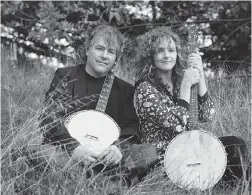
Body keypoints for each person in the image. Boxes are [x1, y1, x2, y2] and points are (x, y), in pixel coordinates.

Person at [37, 24, 157, 185]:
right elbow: (49, 116)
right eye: (100, 48)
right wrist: (74, 148)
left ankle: (86, 179)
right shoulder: (65, 76)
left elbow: (131, 126)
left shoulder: (124, 89)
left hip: (107, 157)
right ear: (87, 50)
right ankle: (105, 182)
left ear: (116, 58)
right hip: (69, 151)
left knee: (149, 152)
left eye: (111, 52)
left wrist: (118, 148)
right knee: (44, 152)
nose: (104, 56)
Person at [133, 26, 250, 186]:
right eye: (160, 51)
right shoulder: (144, 88)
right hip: (166, 157)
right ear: (150, 56)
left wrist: (200, 74)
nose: (166, 55)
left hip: (192, 150)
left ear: (177, 54)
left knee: (235, 144)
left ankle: (241, 187)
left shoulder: (181, 82)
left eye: (171, 50)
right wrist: (186, 87)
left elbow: (207, 114)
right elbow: (175, 125)